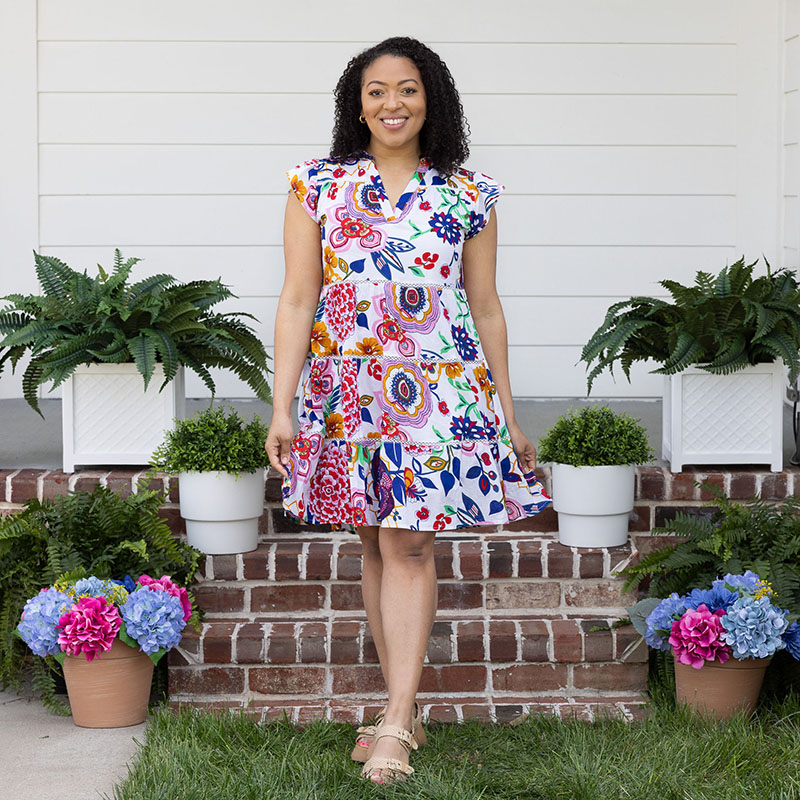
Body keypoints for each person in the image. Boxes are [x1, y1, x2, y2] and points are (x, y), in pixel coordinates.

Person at [265, 36, 551, 785]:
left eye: (409, 89)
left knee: (410, 546)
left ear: (433, 100)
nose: (393, 103)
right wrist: (281, 405)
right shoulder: (316, 185)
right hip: (346, 389)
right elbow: (297, 299)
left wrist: (510, 413)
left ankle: (393, 720)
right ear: (355, 104)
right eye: (376, 91)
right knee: (375, 545)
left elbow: (485, 307)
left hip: (440, 392)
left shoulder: (469, 192)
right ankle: (406, 710)